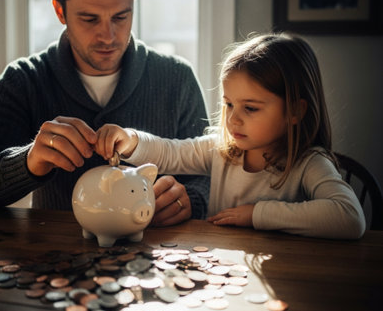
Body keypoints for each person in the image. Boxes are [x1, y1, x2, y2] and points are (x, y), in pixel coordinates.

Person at [0, 0, 210, 226]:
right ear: (60, 11)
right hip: (53, 258)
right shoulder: (24, 80)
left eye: (121, 17)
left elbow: (213, 173)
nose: (108, 36)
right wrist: (29, 161)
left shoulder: (177, 78)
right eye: (89, 19)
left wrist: (190, 200)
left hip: (157, 259)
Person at [95, 32, 366, 239]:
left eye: (250, 108)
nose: (233, 118)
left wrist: (257, 214)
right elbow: (170, 152)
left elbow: (350, 217)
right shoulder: (223, 149)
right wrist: (131, 140)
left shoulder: (309, 163)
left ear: (294, 110)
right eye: (229, 104)